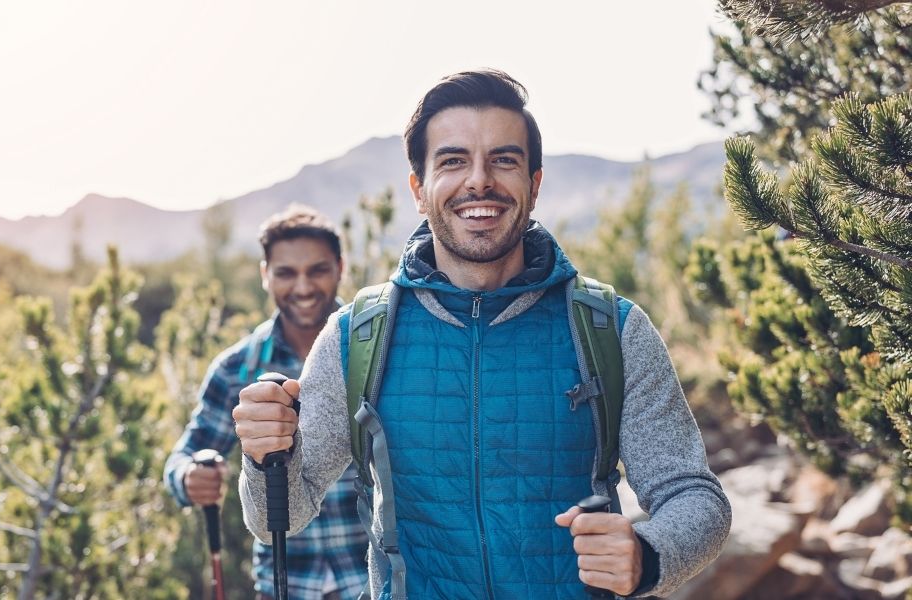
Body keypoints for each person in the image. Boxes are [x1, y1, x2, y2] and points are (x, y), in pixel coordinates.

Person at [234, 70, 731, 600]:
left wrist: (647, 553)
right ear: (419, 190)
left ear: (534, 185)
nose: (479, 181)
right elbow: (278, 519)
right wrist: (265, 454)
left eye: (504, 159)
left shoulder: (612, 329)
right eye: (452, 161)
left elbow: (695, 497)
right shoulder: (356, 336)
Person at [164, 206, 370, 600]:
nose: (304, 287)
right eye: (286, 273)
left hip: (371, 582)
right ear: (265, 275)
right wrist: (189, 476)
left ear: (340, 268)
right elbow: (183, 456)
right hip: (282, 584)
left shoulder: (374, 350)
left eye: (318, 270)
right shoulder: (236, 369)